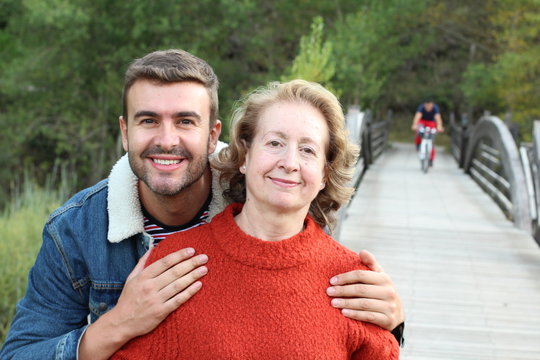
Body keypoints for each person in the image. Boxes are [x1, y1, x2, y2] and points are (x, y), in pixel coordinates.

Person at [0, 49, 403, 360]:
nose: (167, 140)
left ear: (214, 137)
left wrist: (393, 322)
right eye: (148, 121)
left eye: (185, 121)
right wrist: (117, 325)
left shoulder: (269, 195)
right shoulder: (75, 229)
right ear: (125, 133)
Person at [112, 79, 400, 359]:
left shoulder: (352, 282)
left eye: (308, 150)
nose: (290, 162)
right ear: (245, 155)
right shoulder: (175, 263)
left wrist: (396, 323)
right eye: (275, 143)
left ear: (325, 174)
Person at [411, 99, 444, 166]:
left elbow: (438, 118)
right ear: (424, 105)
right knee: (418, 131)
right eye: (427, 105)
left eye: (430, 105)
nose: (428, 107)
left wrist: (439, 126)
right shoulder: (421, 107)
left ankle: (431, 160)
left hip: (431, 123)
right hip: (422, 121)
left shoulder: (435, 108)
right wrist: (414, 124)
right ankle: (418, 145)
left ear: (432, 105)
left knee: (432, 142)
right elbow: (418, 116)